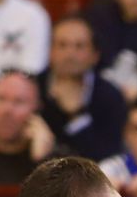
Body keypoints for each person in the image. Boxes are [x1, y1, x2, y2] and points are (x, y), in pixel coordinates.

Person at [39, 14, 127, 162]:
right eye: (62, 45)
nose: (70, 54)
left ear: (95, 55)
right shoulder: (32, 89)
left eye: (79, 46)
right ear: (50, 52)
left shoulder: (110, 97)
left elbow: (109, 159)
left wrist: (76, 116)